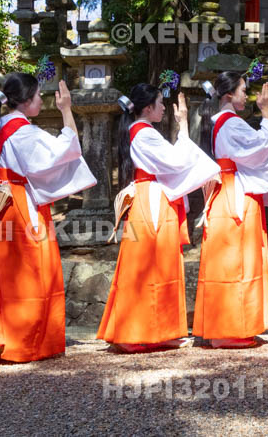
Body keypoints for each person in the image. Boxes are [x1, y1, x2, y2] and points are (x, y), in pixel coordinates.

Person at [0, 74, 96, 362]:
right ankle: (23, 340)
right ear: (25, 101)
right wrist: (66, 109)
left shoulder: (1, 125)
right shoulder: (24, 131)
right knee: (30, 271)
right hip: (20, 205)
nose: (40, 100)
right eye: (37, 96)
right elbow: (65, 150)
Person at [97, 84, 219, 352]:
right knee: (151, 264)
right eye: (160, 103)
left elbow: (172, 161)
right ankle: (135, 332)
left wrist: (183, 125)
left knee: (154, 264)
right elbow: (176, 161)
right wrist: (184, 125)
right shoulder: (144, 134)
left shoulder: (141, 132)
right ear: (147, 107)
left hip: (150, 197)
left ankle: (158, 331)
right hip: (151, 200)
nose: (164, 107)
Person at [193, 72, 268, 348]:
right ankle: (227, 330)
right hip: (235, 196)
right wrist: (266, 111)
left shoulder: (223, 123)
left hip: (229, 191)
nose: (247, 95)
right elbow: (262, 146)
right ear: (229, 94)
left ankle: (228, 328)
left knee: (232, 260)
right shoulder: (230, 124)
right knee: (236, 261)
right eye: (244, 90)